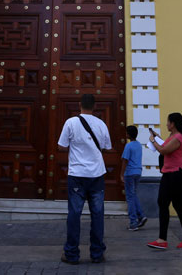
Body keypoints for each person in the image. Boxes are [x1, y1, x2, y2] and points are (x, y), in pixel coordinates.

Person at [57, 93, 112, 265]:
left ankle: (72, 254)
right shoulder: (101, 124)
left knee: (74, 214)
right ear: (94, 106)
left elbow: (61, 146)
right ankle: (97, 254)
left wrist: (75, 149)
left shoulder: (71, 122)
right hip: (96, 175)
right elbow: (106, 147)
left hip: (77, 175)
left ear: (79, 104)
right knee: (97, 214)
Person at [146, 112, 182, 250]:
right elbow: (165, 144)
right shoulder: (173, 136)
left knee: (171, 204)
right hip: (170, 173)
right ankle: (169, 239)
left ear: (173, 124)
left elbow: (164, 150)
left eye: (168, 122)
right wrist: (157, 137)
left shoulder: (178, 137)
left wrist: (153, 141)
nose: (166, 124)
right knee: (168, 203)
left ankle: (176, 238)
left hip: (177, 173)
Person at [121, 125, 147, 231]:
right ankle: (141, 215)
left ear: (128, 134)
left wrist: (121, 174)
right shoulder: (138, 145)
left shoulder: (128, 146)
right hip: (138, 172)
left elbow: (125, 160)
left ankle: (133, 222)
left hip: (130, 173)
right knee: (134, 194)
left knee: (130, 198)